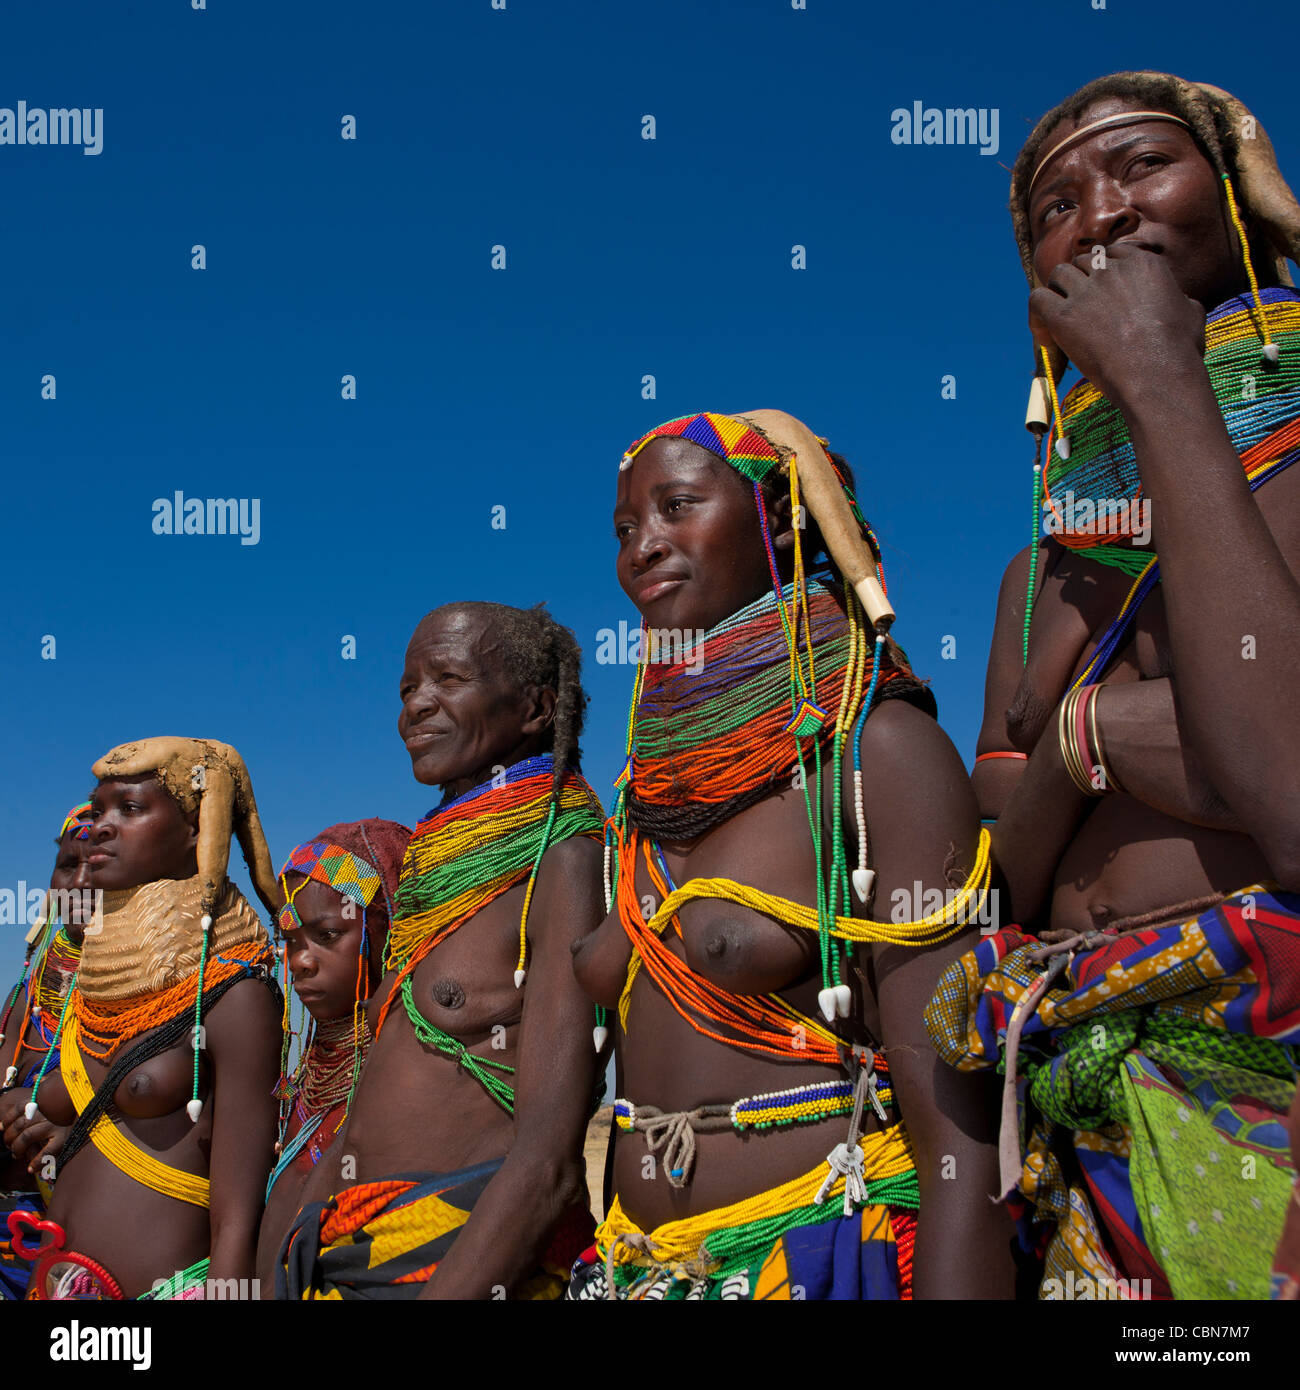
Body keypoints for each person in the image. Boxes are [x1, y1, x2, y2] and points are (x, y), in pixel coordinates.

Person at [925, 72, 1300, 1300]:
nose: (1095, 215)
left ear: (1238, 196)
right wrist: (1092, 738)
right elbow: (999, 877)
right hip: (1079, 1111)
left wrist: (1159, 376)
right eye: (1053, 206)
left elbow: (1288, 800)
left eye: (1141, 166)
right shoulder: (1037, 576)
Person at [570, 409, 1013, 1299]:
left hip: (821, 1253)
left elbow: (963, 1148)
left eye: (677, 506)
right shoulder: (644, 800)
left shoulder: (875, 751)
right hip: (632, 1269)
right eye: (625, 529)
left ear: (778, 520)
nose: (641, 548)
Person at [278, 603, 607, 1299]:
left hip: (460, 1265)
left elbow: (549, 1163)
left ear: (537, 709)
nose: (415, 707)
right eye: (406, 689)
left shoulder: (564, 866)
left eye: (448, 679)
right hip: (343, 1257)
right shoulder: (432, 881)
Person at [11, 737, 282, 1299]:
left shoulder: (236, 994)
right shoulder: (91, 988)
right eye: (100, 808)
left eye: (130, 810)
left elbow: (237, 1213)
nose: (101, 827)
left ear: (194, 831)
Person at [255, 817, 409, 1293]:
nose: (300, 960)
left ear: (389, 929)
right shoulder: (302, 1078)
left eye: (326, 936)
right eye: (292, 941)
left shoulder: (406, 1068)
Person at [0, 803, 94, 1299]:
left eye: (97, 867)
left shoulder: (160, 995)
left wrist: (75, 1133)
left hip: (92, 1236)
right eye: (66, 865)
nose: (78, 884)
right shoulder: (29, 986)